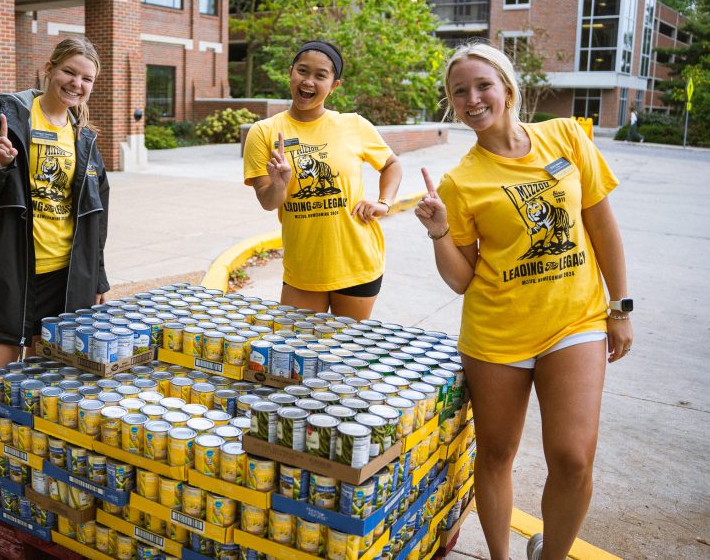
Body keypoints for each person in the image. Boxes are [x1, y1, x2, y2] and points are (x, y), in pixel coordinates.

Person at [414, 43, 633, 560]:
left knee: (574, 458)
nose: (472, 98)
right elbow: (462, 280)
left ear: (508, 89)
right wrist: (441, 231)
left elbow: (602, 226)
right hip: (496, 336)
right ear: (451, 103)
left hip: (574, 321)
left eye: (482, 85)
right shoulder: (460, 182)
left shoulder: (566, 137)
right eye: (459, 91)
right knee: (495, 455)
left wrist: (620, 308)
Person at [0, 37, 110, 542]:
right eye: (70, 72)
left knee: (41, 397)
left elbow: (96, 217)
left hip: (62, 284)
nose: (77, 84)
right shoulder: (8, 118)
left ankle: (22, 486)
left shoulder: (85, 138)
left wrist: (96, 278)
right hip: (12, 277)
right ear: (49, 69)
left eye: (87, 79)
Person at [243, 40, 402, 320]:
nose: (309, 81)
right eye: (302, 71)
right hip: (304, 268)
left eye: (321, 75)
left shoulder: (354, 125)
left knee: (347, 355)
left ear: (334, 85)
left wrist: (384, 203)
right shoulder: (264, 132)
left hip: (357, 261)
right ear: (290, 72)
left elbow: (392, 164)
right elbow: (268, 203)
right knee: (296, 356)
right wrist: (280, 183)